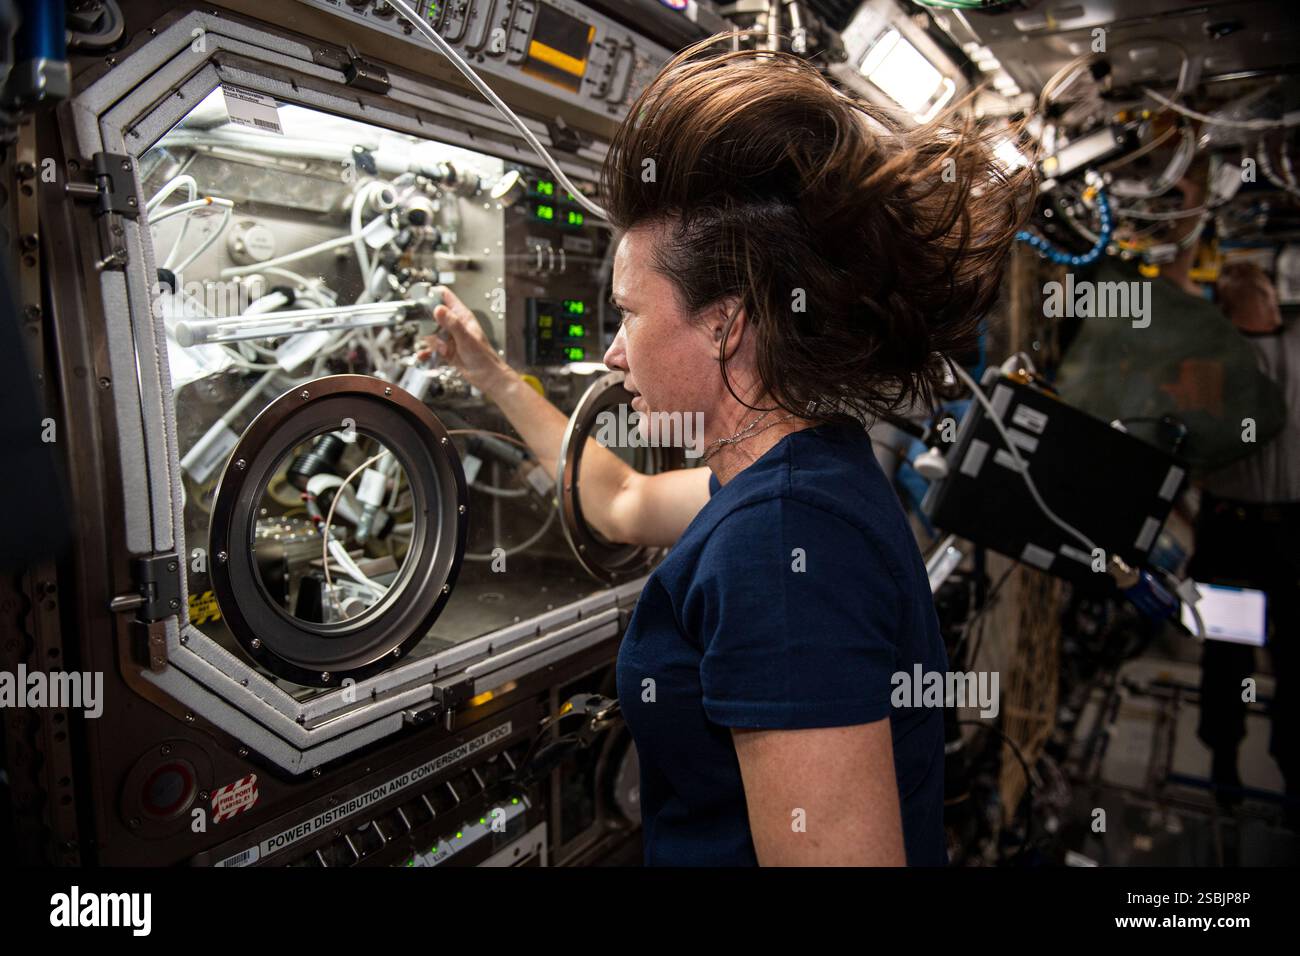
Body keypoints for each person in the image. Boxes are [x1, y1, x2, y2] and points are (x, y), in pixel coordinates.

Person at [419, 35, 1030, 865]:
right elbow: (622, 502)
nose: (612, 354)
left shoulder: (780, 549)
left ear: (725, 324)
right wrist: (490, 375)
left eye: (629, 315)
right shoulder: (797, 473)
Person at [1191, 261, 1300, 824]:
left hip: (1291, 529)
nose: (1268, 300)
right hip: (1231, 530)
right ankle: (1225, 758)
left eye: (1266, 289)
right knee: (1229, 652)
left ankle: (1290, 764)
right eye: (1250, 292)